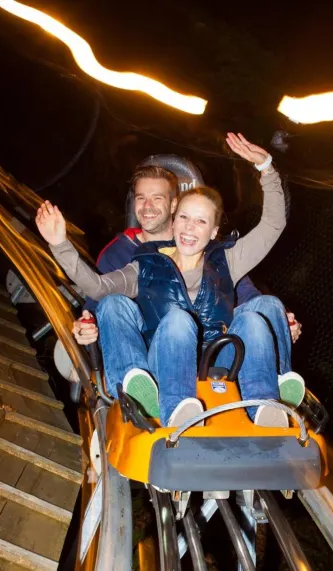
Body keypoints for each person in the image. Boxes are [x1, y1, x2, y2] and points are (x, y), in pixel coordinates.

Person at [36, 133, 302, 428]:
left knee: (256, 316)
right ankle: (171, 407)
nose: (190, 228)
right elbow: (98, 288)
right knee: (175, 320)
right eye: (185, 219)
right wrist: (60, 244)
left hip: (219, 356)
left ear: (214, 232)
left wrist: (266, 167)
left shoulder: (227, 259)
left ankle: (267, 405)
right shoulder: (145, 264)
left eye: (201, 222)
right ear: (174, 222)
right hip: (167, 357)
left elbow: (273, 224)